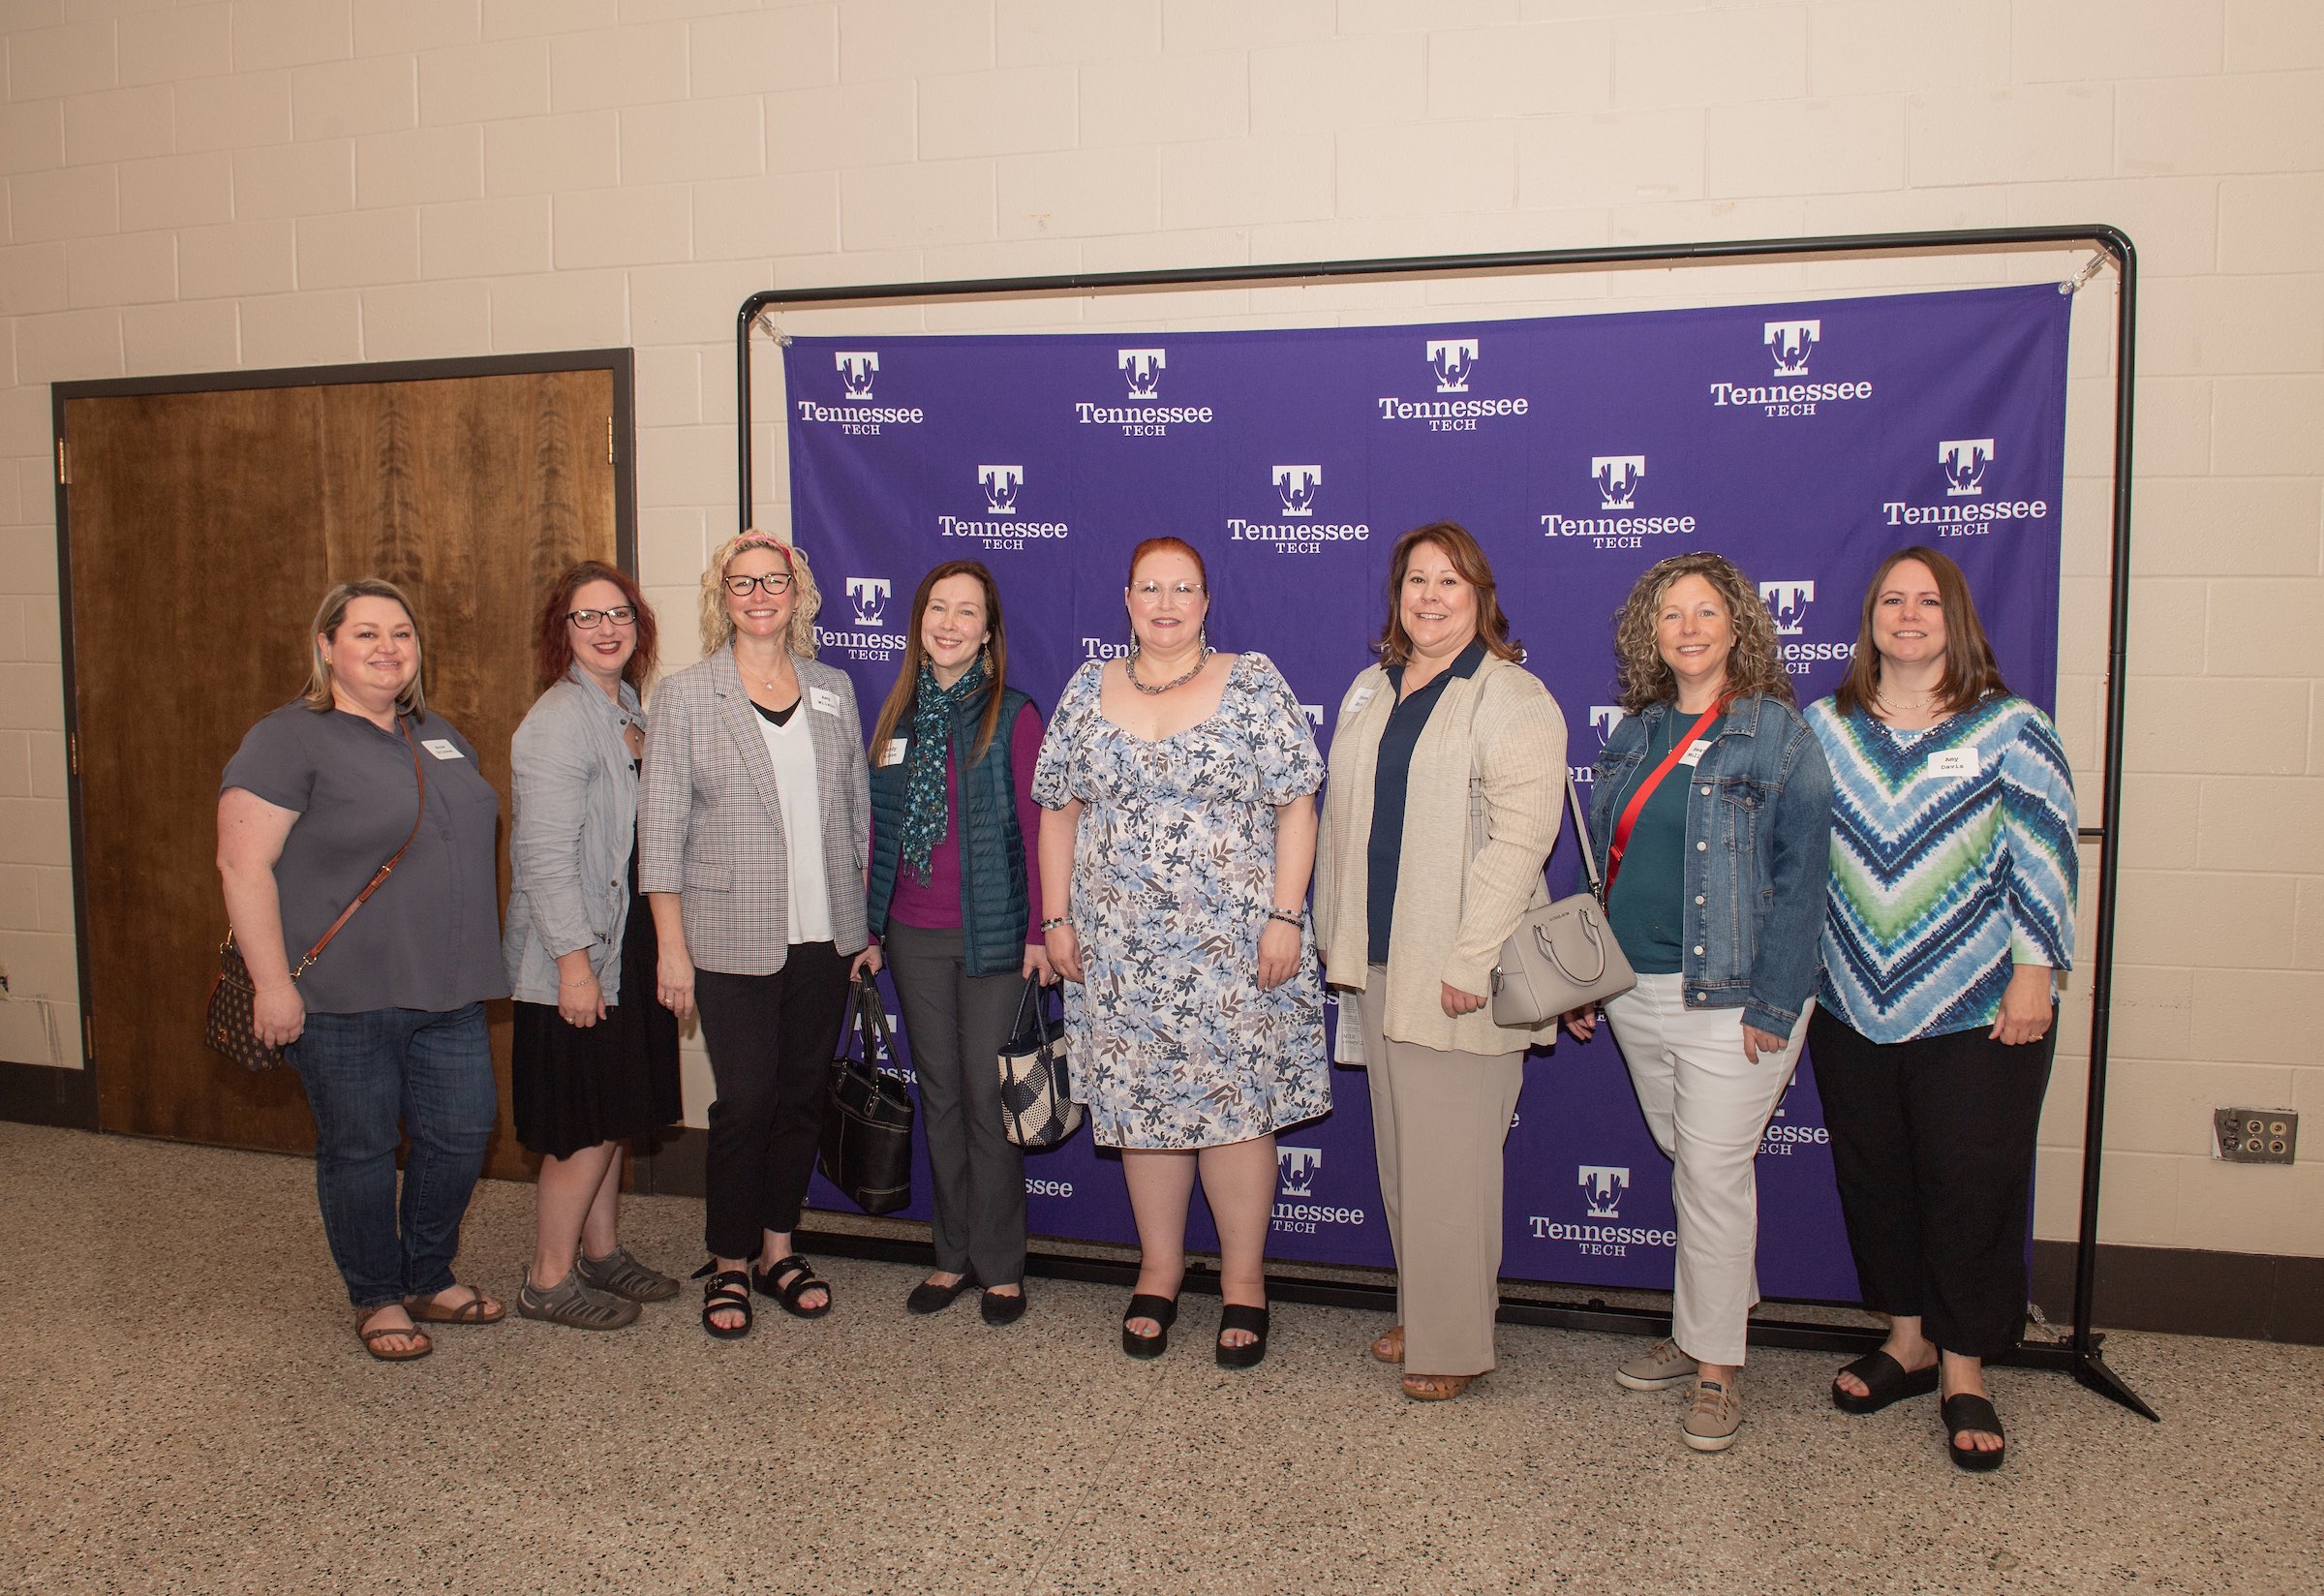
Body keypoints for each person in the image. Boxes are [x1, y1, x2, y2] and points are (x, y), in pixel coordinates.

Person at [1807, 547, 2077, 1473]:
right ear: (1870, 618)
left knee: (1970, 1188)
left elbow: (2044, 855)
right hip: (1849, 1002)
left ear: (1956, 619)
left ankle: (1966, 1368)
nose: (1910, 615)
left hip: (1978, 1008)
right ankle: (1908, 1339)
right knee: (1876, 1178)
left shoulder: (2012, 729)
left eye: (1928, 602)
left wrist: (2035, 970)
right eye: (1893, 600)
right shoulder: (1824, 729)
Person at [1032, 537, 1327, 1369]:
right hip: (1120, 951)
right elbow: (1059, 811)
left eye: (1183, 589)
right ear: (1126, 598)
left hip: (1234, 947)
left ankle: (1244, 1284)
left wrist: (1285, 915)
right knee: (1143, 1113)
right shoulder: (1088, 688)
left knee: (1235, 1113)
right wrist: (1056, 921)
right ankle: (1158, 1271)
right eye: (1150, 588)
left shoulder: (1254, 680)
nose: (1166, 604)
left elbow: (1297, 804)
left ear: (1207, 600)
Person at [1563, 551, 1833, 1452]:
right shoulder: (1634, 734)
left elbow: (1803, 880)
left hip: (1737, 994)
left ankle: (1719, 1369)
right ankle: (1703, 1327)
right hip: (1637, 988)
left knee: (1713, 1173)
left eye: (1706, 612)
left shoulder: (1778, 734)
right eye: (1670, 614)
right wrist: (1588, 978)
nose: (1688, 627)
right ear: (1652, 633)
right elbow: (1608, 871)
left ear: (1737, 627)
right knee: (1693, 1159)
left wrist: (1775, 1000)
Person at [216, 578, 508, 1362]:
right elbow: (241, 866)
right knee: (363, 1149)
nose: (388, 649)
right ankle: (377, 1295)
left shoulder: (436, 733)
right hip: (339, 997)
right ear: (326, 648)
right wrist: (274, 985)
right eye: (367, 635)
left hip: (447, 989)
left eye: (402, 635)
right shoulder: (287, 739)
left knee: (462, 1133)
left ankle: (428, 1274)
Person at [1313, 523, 1567, 1402]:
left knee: (1452, 1166)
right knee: (1401, 1161)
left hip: (1461, 972)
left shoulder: (1512, 697)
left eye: (1450, 581)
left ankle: (1455, 1344)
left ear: (1481, 596)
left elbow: (1522, 841)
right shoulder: (1369, 688)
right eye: (1415, 580)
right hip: (1382, 962)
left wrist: (1471, 957)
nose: (1429, 596)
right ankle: (1429, 1309)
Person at [638, 532, 872, 1340]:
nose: (761, 594)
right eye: (744, 583)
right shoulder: (685, 696)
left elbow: (856, 818)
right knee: (745, 1102)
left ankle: (779, 1248)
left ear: (799, 594)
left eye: (776, 581)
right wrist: (671, 947)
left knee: (802, 1098)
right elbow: (660, 831)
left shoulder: (834, 688)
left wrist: (861, 925)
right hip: (727, 936)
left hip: (824, 936)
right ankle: (729, 1258)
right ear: (722, 597)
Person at [862, 561, 1050, 1327]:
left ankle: (1001, 1265)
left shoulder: (1015, 713)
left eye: (966, 612)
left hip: (997, 939)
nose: (949, 623)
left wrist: (1043, 933)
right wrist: (869, 928)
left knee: (987, 1100)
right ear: (919, 623)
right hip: (912, 935)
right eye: (937, 608)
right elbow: (877, 831)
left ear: (988, 632)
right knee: (939, 1098)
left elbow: (1042, 832)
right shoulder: (896, 715)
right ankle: (951, 1256)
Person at [503, 562, 683, 1331]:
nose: (608, 629)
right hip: (577, 960)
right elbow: (543, 857)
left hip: (627, 945)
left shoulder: (629, 707)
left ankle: (601, 1253)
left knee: (614, 1112)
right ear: (562, 632)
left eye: (620, 615)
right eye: (588, 617)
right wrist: (575, 969)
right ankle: (546, 1280)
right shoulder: (557, 721)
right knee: (584, 1124)